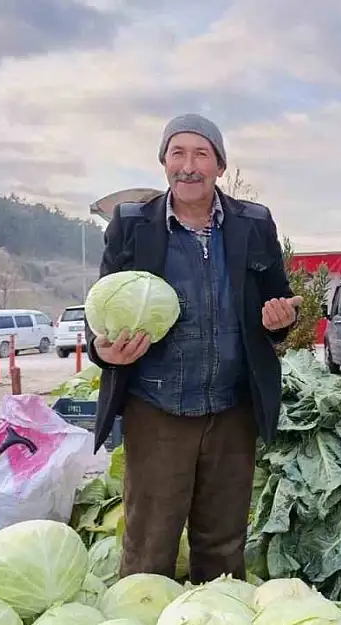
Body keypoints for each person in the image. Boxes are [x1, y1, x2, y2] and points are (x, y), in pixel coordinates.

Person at [85, 113, 302, 584]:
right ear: (163, 161)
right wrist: (104, 351)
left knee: (223, 545)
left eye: (201, 154)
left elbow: (278, 302)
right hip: (157, 409)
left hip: (232, 408)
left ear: (219, 165)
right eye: (177, 153)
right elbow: (101, 310)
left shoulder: (254, 223)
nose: (189, 165)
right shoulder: (130, 224)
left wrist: (281, 320)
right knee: (149, 545)